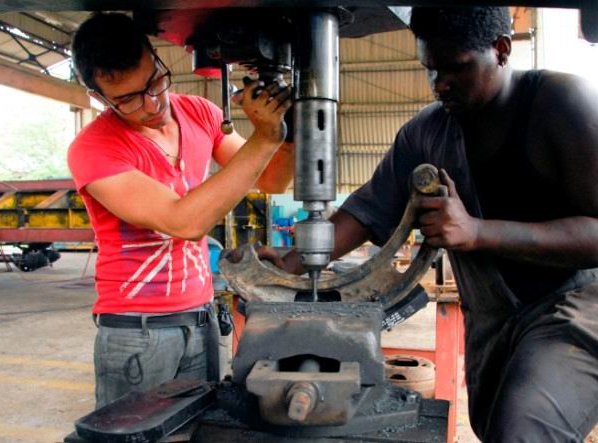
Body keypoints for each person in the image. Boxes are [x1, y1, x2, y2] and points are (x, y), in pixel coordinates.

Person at [256, 7, 598, 442]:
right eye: (430, 70)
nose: (439, 85)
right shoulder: (427, 133)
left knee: (522, 430)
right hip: (492, 318)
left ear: (502, 49)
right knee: (493, 427)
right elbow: (366, 210)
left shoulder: (564, 106)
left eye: (456, 68)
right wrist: (291, 264)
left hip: (575, 309)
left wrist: (476, 232)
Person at [67, 12, 294, 408]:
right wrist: (264, 138)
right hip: (138, 334)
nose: (151, 104)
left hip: (203, 320)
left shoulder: (199, 113)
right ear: (99, 98)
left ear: (156, 57)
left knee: (201, 431)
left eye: (154, 82)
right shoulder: (95, 147)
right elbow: (183, 221)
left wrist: (288, 128)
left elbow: (273, 180)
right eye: (128, 99)